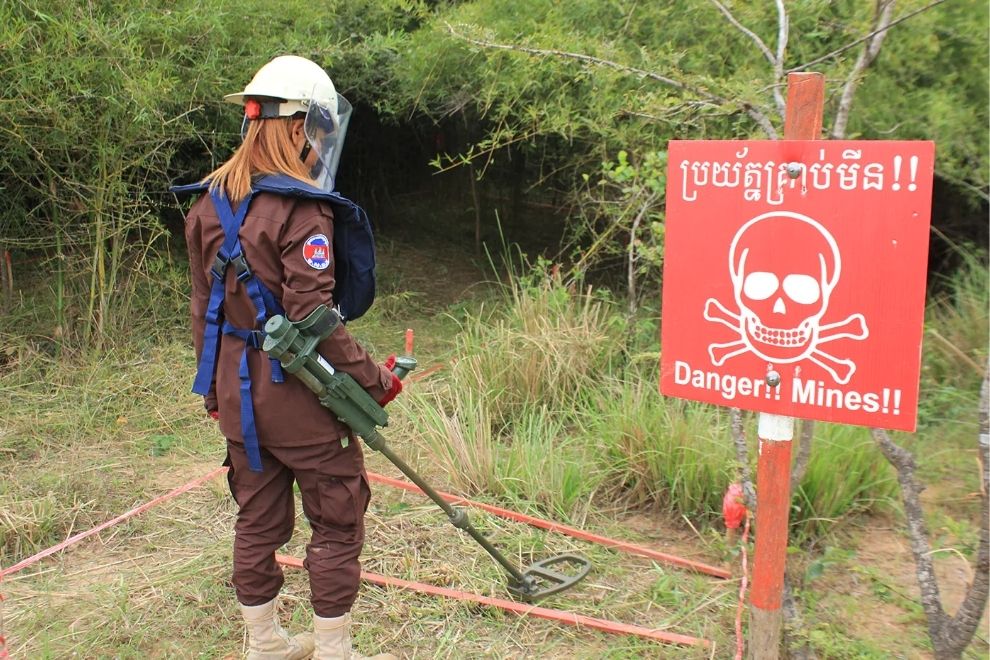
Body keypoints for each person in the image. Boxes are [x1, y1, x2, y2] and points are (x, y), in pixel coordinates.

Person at [180, 55, 400, 660]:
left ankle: (265, 645)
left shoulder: (207, 205)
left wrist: (213, 393)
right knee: (337, 520)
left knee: (256, 519)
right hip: (300, 403)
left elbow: (203, 312)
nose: (320, 146)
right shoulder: (304, 209)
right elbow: (314, 318)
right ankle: (332, 650)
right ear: (301, 127)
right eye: (319, 132)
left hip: (237, 398)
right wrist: (372, 379)